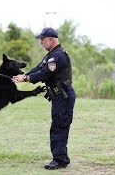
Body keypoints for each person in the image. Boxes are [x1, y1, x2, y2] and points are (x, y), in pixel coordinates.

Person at [12, 27, 76, 170]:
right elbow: (38, 68)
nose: (41, 42)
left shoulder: (58, 56)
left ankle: (60, 160)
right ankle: (60, 157)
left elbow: (45, 73)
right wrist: (22, 76)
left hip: (63, 96)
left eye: (43, 39)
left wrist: (27, 78)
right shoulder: (51, 55)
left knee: (59, 126)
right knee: (57, 125)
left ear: (51, 39)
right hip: (59, 96)